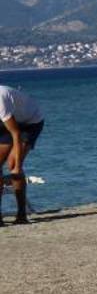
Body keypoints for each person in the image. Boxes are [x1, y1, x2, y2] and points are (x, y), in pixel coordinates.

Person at [0, 83, 46, 226]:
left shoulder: (0, 99)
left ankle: (22, 215)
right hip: (7, 121)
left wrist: (18, 165)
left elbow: (16, 133)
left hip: (30, 122)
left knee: (13, 165)